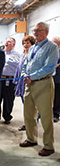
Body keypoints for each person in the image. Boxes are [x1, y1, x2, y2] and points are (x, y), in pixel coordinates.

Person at [19, 22, 59, 157]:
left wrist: (32, 76)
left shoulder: (52, 47)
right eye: (34, 30)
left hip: (43, 84)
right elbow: (25, 64)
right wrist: (25, 75)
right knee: (28, 114)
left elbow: (50, 67)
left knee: (46, 116)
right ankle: (31, 138)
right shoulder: (32, 48)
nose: (35, 33)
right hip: (29, 84)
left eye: (39, 31)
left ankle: (48, 146)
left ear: (46, 32)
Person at [13, 36, 35, 131]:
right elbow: (19, 68)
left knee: (30, 105)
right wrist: (16, 80)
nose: (25, 45)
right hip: (21, 82)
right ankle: (27, 122)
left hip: (29, 82)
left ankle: (30, 123)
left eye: (27, 43)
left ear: (32, 44)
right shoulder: (23, 54)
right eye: (24, 43)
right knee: (25, 104)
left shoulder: (33, 55)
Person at [0, 37, 21, 124]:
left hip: (10, 80)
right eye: (6, 42)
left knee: (9, 99)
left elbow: (19, 66)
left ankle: (7, 116)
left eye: (9, 42)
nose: (7, 43)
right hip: (0, 79)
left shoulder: (17, 54)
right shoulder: (1, 53)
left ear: (13, 45)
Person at [51, 36, 60, 123]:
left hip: (58, 78)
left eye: (54, 43)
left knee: (57, 97)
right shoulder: (51, 52)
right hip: (50, 78)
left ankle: (56, 114)